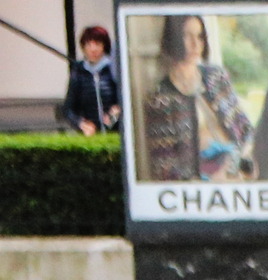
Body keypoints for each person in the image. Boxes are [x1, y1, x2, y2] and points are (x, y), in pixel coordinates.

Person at [140, 14, 252, 182]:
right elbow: (164, 168)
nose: (196, 44)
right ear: (174, 38)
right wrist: (207, 181)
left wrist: (242, 164)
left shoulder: (216, 77)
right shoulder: (160, 99)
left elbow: (245, 128)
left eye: (200, 36)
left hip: (239, 168)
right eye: (187, 36)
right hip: (203, 185)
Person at [62, 25, 118, 136]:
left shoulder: (113, 68)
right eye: (89, 45)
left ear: (104, 46)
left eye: (97, 44)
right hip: (91, 134)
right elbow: (68, 109)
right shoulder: (78, 71)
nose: (93, 49)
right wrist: (81, 124)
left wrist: (117, 111)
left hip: (115, 131)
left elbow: (126, 100)